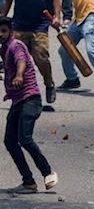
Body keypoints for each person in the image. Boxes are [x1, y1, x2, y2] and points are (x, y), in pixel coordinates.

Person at [1, 16, 58, 194]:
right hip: (18, 100)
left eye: (3, 31)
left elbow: (21, 61)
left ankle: (48, 172)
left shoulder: (16, 45)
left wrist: (19, 75)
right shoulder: (4, 48)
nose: (0, 34)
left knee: (24, 138)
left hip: (30, 99)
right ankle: (28, 182)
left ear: (10, 32)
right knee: (10, 141)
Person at [2, 0, 61, 105]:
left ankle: (49, 84)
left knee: (41, 57)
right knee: (17, 60)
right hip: (19, 25)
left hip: (39, 25)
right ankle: (19, 94)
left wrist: (57, 17)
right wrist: (2, 18)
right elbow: (8, 0)